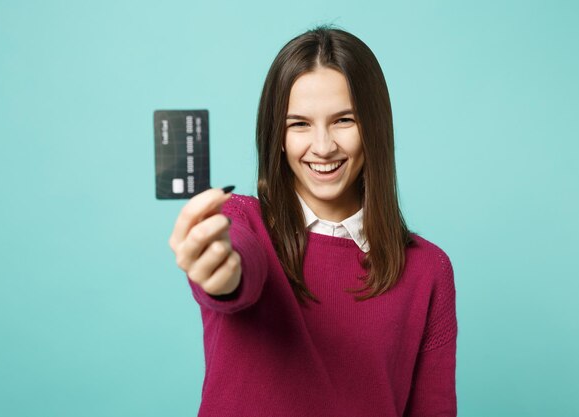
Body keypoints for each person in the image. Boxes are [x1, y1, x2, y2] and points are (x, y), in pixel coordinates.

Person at [168, 25, 458, 417]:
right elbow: (239, 265)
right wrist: (221, 272)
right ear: (278, 136)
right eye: (299, 124)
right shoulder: (241, 220)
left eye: (344, 120)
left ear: (374, 127)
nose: (323, 147)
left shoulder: (428, 269)